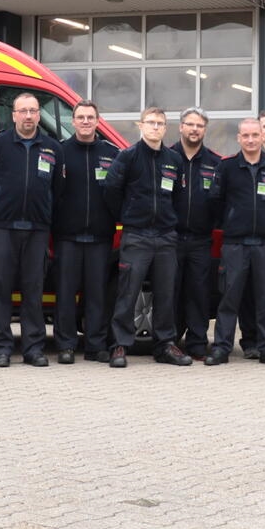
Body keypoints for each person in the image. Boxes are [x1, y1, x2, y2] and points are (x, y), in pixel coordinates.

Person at [0, 92, 65, 367]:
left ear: (39, 115)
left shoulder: (53, 148)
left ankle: (33, 349)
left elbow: (57, 190)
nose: (28, 116)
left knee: (33, 291)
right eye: (22, 111)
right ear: (13, 115)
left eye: (33, 111)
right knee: (0, 289)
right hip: (3, 229)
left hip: (37, 230)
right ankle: (0, 348)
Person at [105, 106, 192, 368]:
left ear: (165, 128)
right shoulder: (127, 157)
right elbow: (111, 191)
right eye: (151, 122)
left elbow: (177, 196)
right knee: (127, 292)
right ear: (140, 126)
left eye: (160, 123)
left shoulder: (173, 160)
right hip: (137, 236)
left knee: (166, 294)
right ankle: (119, 344)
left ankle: (165, 344)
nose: (155, 127)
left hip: (166, 237)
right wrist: (128, 216)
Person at [205, 118, 265, 367]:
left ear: (262, 137)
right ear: (239, 138)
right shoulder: (227, 167)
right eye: (246, 136)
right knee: (229, 298)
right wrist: (233, 222)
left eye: (255, 135)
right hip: (235, 244)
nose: (251, 140)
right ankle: (221, 347)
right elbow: (215, 202)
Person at [54, 101, 120, 364]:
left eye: (90, 117)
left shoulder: (111, 153)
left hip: (100, 237)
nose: (85, 121)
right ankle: (66, 345)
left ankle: (95, 345)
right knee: (66, 293)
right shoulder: (60, 151)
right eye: (80, 117)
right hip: (67, 236)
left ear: (97, 121)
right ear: (72, 121)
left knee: (97, 295)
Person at [170, 106, 219, 359]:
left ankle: (198, 343)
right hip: (172, 238)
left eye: (199, 125)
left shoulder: (215, 162)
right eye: (190, 124)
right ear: (181, 127)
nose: (194, 129)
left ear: (204, 130)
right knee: (172, 292)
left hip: (201, 240)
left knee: (199, 293)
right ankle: (170, 341)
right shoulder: (167, 158)